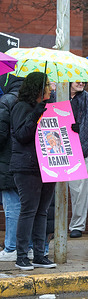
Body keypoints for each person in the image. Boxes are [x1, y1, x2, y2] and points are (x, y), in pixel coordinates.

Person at [10, 72, 56, 270]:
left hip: (48, 165)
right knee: (29, 211)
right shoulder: (21, 107)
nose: (50, 88)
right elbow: (21, 135)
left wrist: (72, 129)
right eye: (46, 85)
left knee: (42, 212)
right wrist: (36, 114)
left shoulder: (49, 108)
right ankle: (22, 256)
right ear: (37, 88)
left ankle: (39, 254)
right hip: (27, 167)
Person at [0, 74, 31, 262]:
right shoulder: (32, 103)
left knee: (12, 208)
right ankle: (27, 247)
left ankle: (11, 247)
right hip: (28, 163)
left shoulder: (6, 101)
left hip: (7, 161)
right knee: (28, 208)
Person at [68, 82, 88, 238]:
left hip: (81, 152)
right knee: (54, 192)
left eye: (83, 80)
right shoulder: (56, 97)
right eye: (77, 79)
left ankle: (77, 226)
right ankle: (51, 226)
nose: (81, 82)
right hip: (58, 152)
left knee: (79, 192)